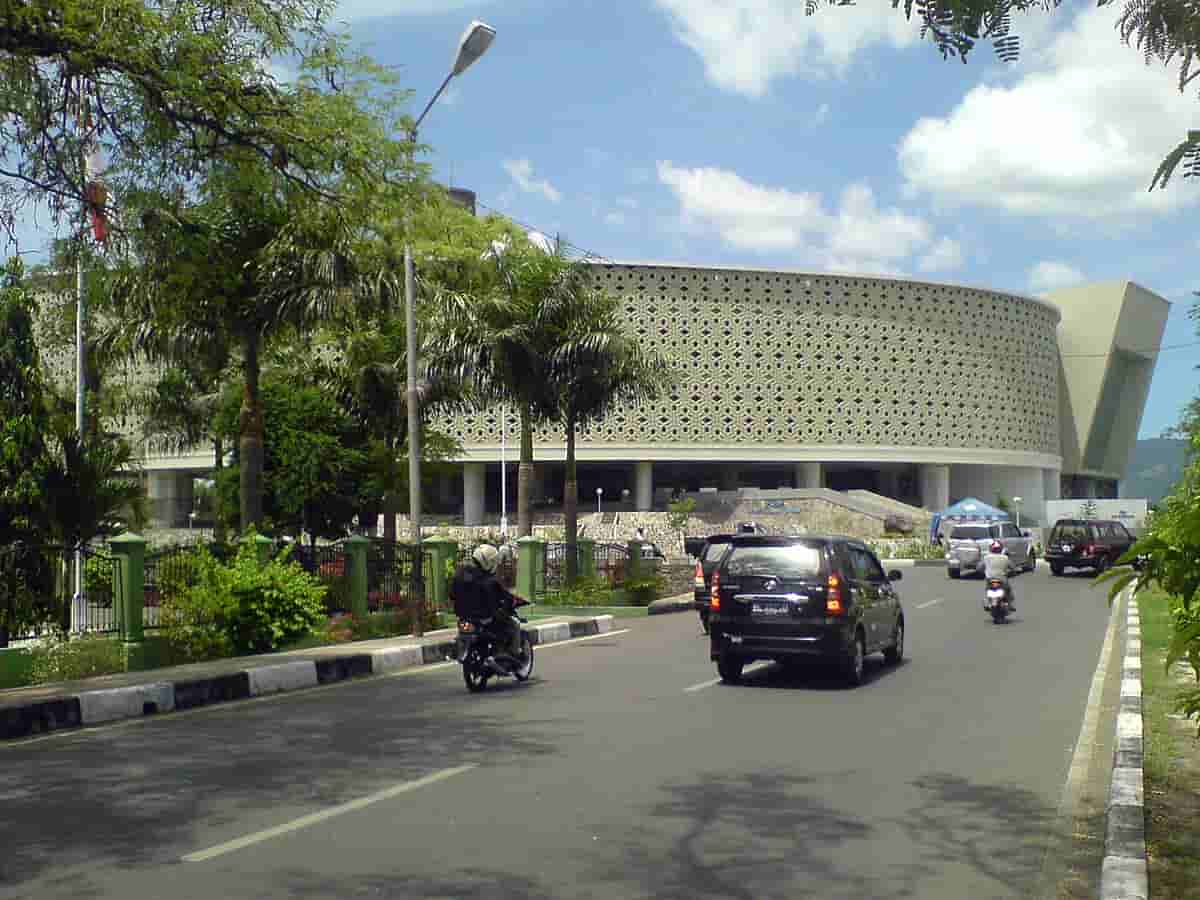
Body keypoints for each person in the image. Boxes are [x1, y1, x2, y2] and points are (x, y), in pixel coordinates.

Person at [450, 544, 523, 659]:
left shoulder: (459, 573)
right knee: (513, 624)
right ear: (486, 561)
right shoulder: (487, 579)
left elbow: (452, 594)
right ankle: (503, 651)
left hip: (463, 616)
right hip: (484, 616)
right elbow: (501, 595)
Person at [982, 540, 1015, 609]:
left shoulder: (986, 557)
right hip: (1002, 579)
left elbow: (979, 567)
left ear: (991, 549)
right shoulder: (1005, 557)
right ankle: (1010, 604)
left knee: (987, 589)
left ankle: (988, 603)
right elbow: (1012, 567)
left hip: (990, 579)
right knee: (1008, 590)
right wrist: (1013, 571)